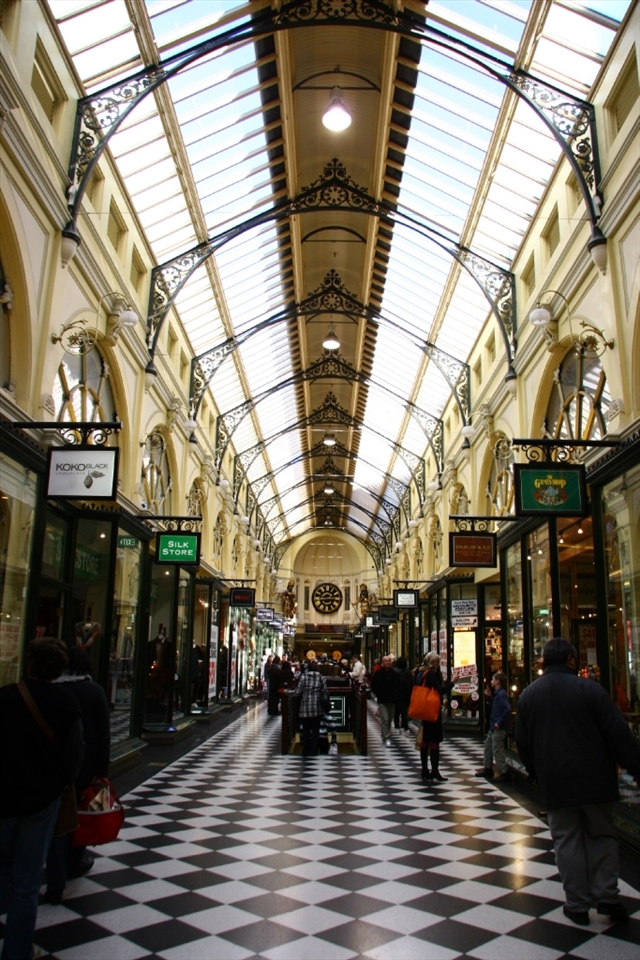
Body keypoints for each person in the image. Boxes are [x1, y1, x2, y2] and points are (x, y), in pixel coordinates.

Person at [515, 637, 640, 926]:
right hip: (595, 778)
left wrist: (534, 772)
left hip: (556, 780)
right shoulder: (590, 689)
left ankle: (577, 903)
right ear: (572, 659)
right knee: (602, 836)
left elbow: (521, 740)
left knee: (566, 839)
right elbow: (617, 734)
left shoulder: (530, 694)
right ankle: (607, 896)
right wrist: (636, 767)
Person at [0, 639, 84, 960]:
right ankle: (18, 953)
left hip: (3, 798)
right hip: (40, 802)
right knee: (26, 882)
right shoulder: (64, 702)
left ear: (29, 663)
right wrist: (64, 784)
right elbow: (75, 752)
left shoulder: (5, 697)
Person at [43, 646, 111, 905]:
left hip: (55, 768)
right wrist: (102, 772)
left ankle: (56, 876)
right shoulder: (94, 691)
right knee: (80, 814)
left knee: (58, 821)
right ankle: (76, 861)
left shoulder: (54, 691)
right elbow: (103, 734)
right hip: (85, 766)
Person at [416, 651, 453, 782]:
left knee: (425, 739)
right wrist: (452, 682)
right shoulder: (431, 674)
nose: (438, 663)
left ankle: (425, 770)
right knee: (434, 740)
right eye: (436, 661)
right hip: (432, 710)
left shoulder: (421, 672)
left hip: (425, 710)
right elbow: (440, 690)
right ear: (431, 662)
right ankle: (434, 771)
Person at [287, 660, 328, 757]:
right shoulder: (321, 678)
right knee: (315, 731)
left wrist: (286, 692)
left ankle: (306, 750)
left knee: (305, 730)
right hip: (317, 707)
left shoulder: (303, 677)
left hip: (305, 707)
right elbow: (325, 692)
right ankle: (314, 751)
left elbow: (297, 692)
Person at [476, 671, 511, 783]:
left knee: (496, 749)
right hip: (494, 726)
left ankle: (504, 773)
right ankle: (488, 768)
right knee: (488, 746)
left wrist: (499, 722)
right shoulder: (497, 694)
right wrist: (490, 697)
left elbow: (507, 709)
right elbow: (497, 706)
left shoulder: (501, 694)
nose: (491, 681)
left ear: (497, 682)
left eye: (493, 679)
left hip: (498, 727)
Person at [371, 654, 398, 747]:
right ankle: (387, 737)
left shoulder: (394, 674)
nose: (388, 662)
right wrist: (379, 694)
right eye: (386, 661)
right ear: (382, 663)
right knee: (385, 719)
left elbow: (398, 686)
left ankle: (383, 734)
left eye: (389, 661)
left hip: (392, 699)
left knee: (390, 719)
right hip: (382, 700)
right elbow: (373, 685)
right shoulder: (378, 674)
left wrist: (396, 694)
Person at [393, 656, 414, 736]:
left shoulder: (395, 672)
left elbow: (394, 684)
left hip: (398, 694)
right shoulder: (408, 672)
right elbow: (411, 683)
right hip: (406, 694)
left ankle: (397, 724)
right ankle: (404, 725)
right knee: (404, 710)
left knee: (397, 710)